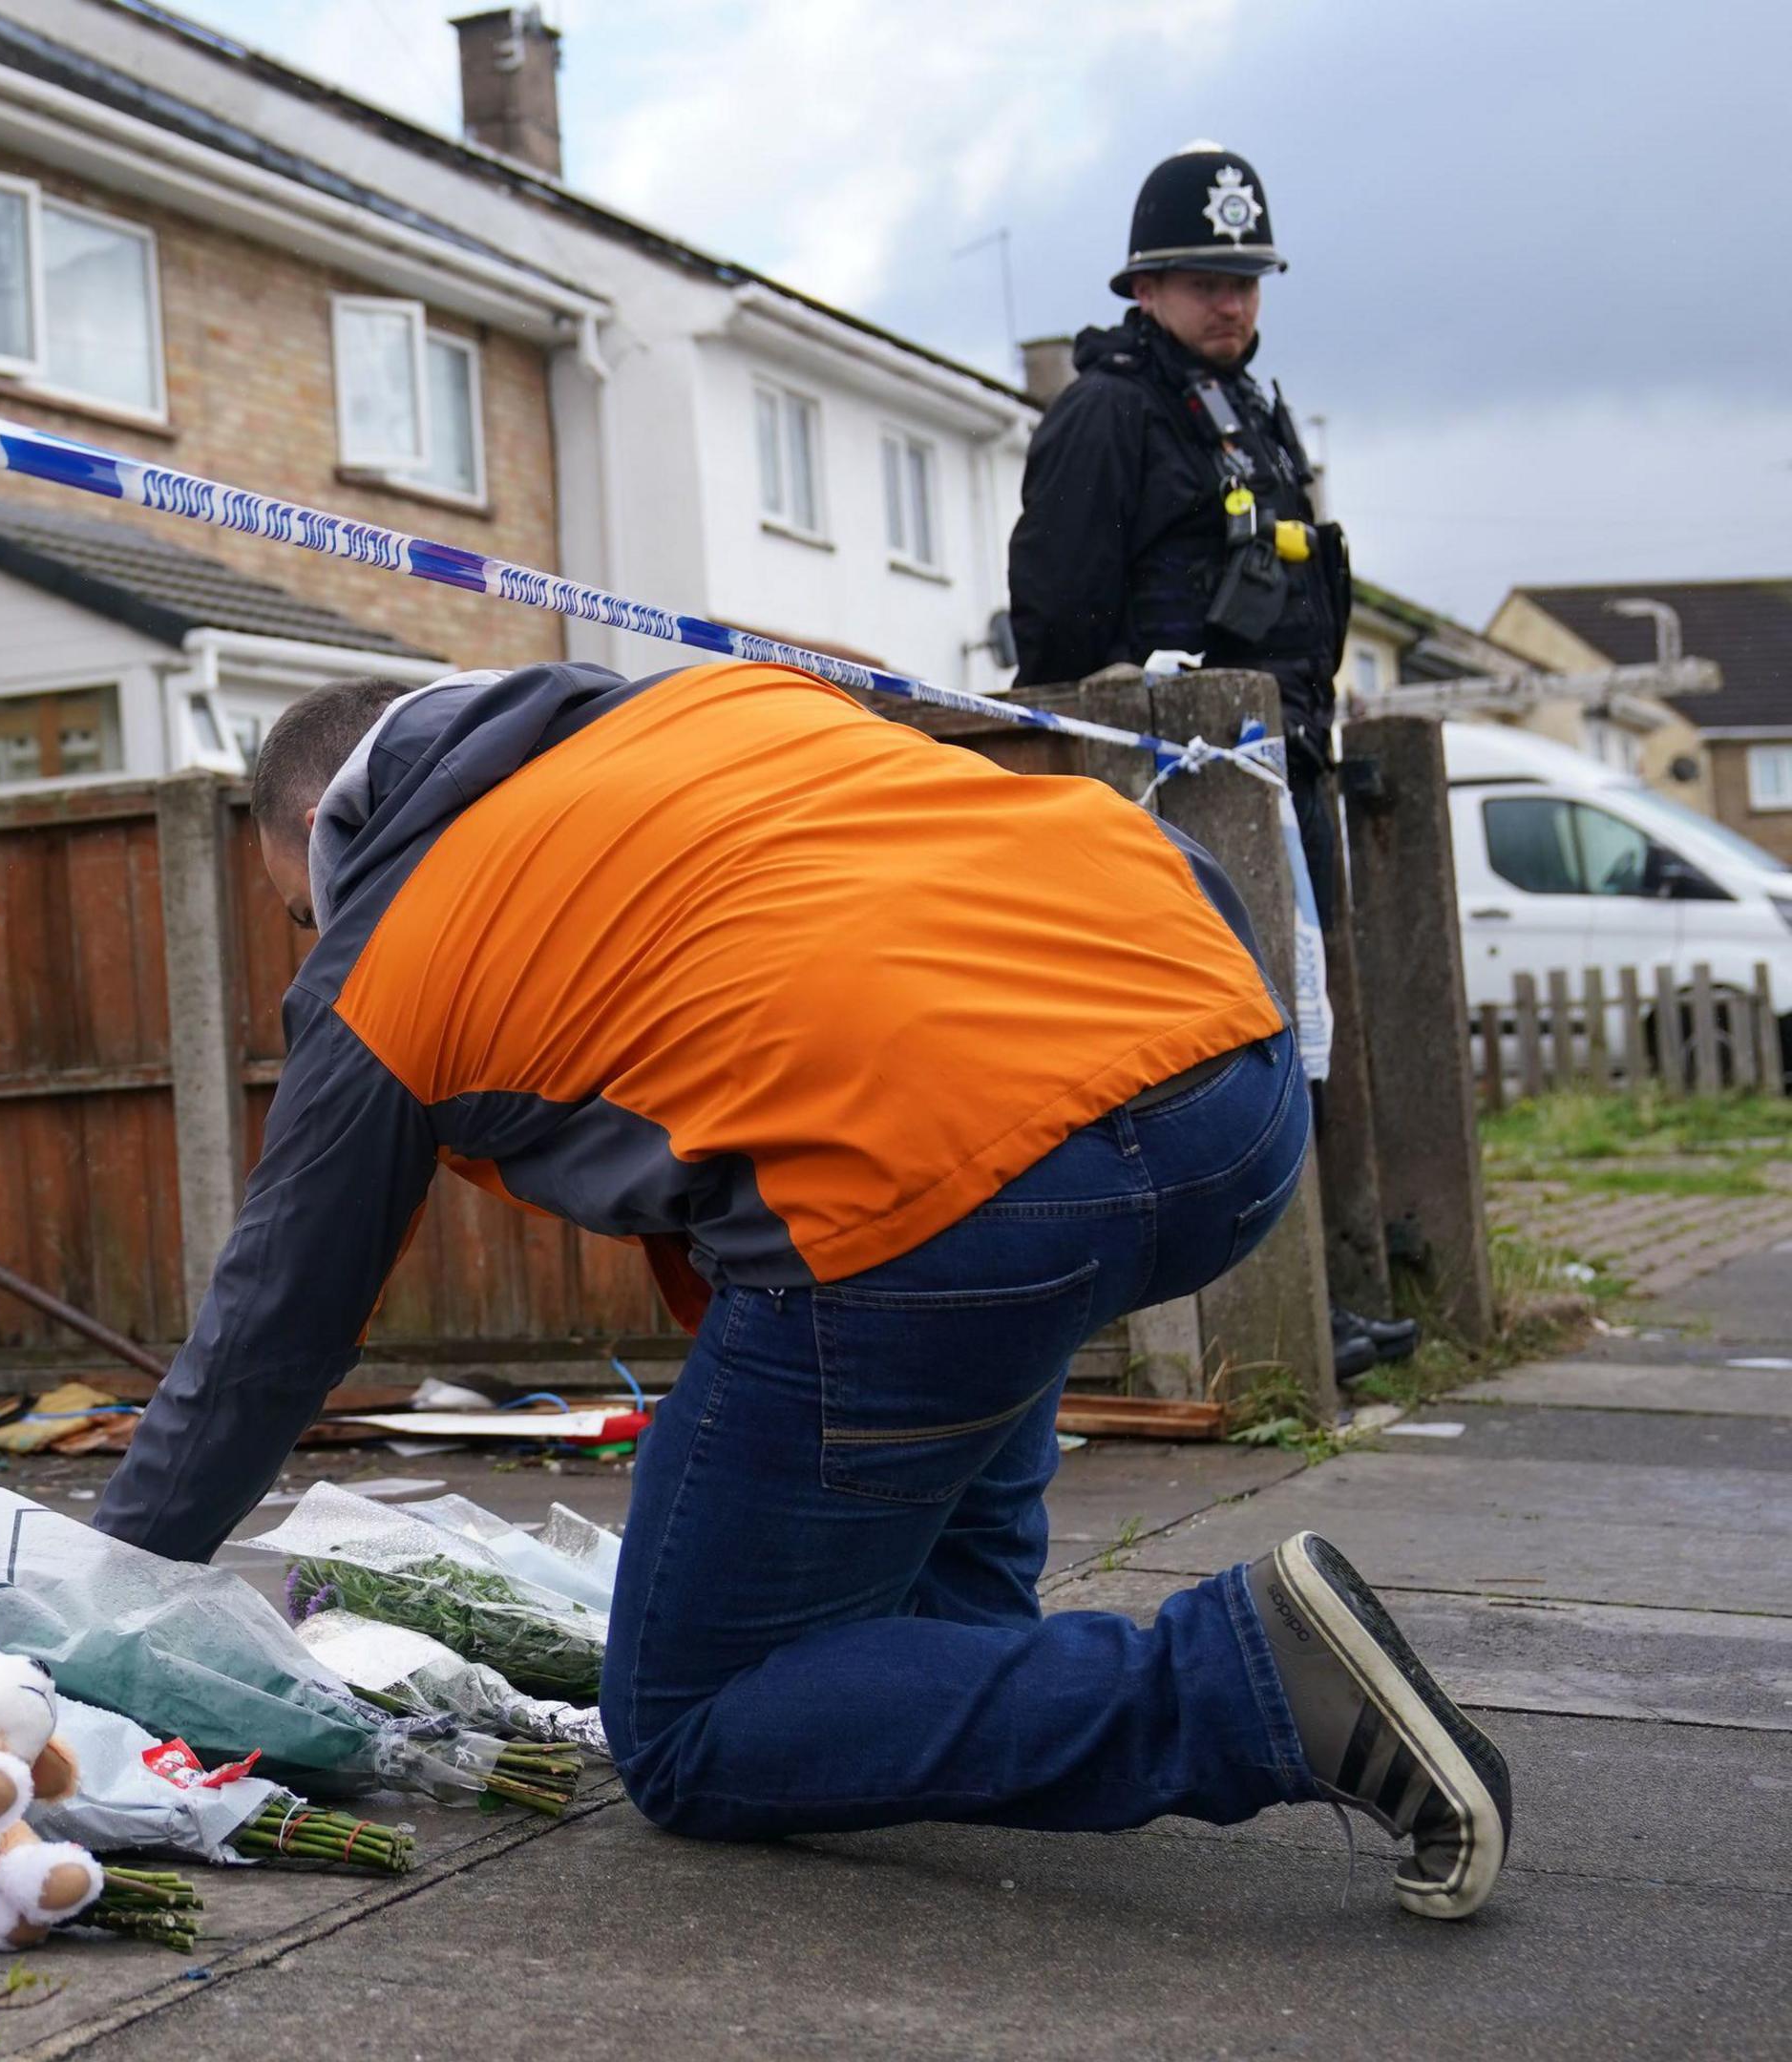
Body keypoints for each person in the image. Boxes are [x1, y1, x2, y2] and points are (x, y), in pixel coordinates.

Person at [91, 661, 1510, 1919]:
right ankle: (959, 1689)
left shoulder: (388, 954)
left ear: (322, 843)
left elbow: (273, 1328)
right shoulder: (717, 711)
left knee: (693, 1725)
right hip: (1234, 1093)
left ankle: (1244, 1688)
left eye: (295, 914)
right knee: (929, 1589)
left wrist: (85, 1606)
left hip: (958, 1191)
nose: (308, 941)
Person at [1005, 140, 1417, 1375]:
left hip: (1285, 770)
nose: (1229, 302)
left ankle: (1301, 1301)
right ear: (1143, 286)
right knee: (1205, 1057)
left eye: (1244, 279)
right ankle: (1243, 1320)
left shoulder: (1247, 411)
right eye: (1200, 280)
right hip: (1177, 796)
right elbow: (1059, 636)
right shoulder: (1106, 418)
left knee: (1297, 1040)